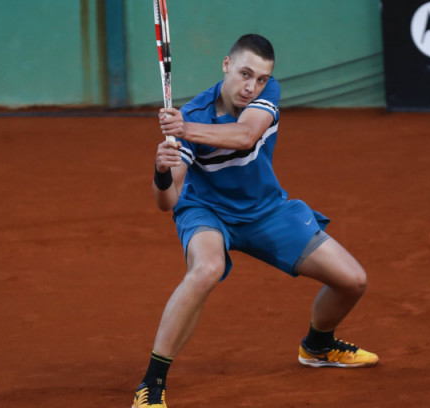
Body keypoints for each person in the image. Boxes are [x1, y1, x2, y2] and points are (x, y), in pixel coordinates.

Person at [131, 33, 378, 408]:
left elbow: (246, 136)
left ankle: (318, 346)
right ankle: (152, 383)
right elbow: (166, 202)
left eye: (261, 78)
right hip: (207, 211)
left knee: (353, 281)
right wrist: (162, 171)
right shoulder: (194, 114)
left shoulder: (261, 95)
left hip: (266, 210)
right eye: (245, 74)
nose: (251, 87)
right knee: (206, 269)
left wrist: (184, 130)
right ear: (226, 65)